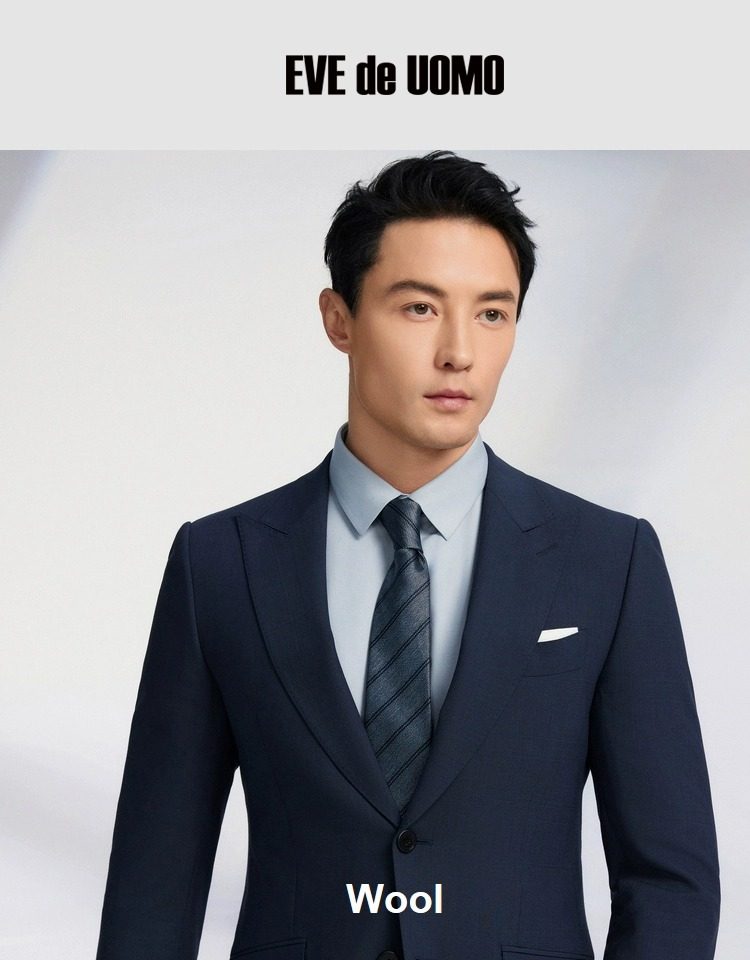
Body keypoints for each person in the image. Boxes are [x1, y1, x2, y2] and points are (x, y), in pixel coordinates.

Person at [95, 151, 721, 960]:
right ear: (339, 319)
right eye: (420, 308)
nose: (459, 352)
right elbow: (154, 881)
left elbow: (670, 881)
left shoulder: (608, 560)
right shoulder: (220, 563)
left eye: (492, 313)